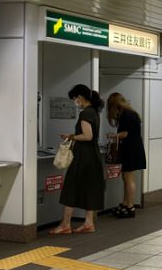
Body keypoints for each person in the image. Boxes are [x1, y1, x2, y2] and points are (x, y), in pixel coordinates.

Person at [51, 84, 105, 234]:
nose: (75, 102)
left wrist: (72, 136)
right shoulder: (94, 112)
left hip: (83, 156)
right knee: (90, 188)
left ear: (80, 98)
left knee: (70, 188)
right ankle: (88, 223)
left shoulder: (85, 113)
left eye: (75, 99)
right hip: (93, 156)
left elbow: (88, 136)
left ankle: (65, 225)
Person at [106, 92, 146, 218]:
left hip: (131, 149)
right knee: (126, 176)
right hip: (134, 148)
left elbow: (126, 133)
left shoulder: (126, 115)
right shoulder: (131, 113)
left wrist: (114, 135)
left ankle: (130, 206)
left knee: (128, 178)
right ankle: (126, 203)